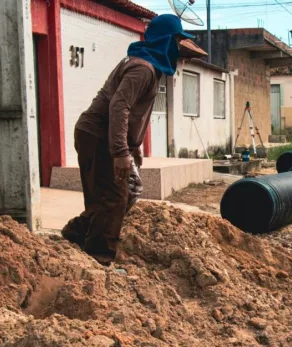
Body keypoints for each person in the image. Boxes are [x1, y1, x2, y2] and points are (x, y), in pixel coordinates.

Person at [61, 15, 193, 266]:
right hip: (98, 136)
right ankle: (99, 258)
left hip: (97, 135)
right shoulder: (142, 69)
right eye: (177, 40)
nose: (179, 46)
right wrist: (120, 151)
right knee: (114, 197)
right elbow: (119, 107)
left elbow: (133, 113)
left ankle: (76, 235)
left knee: (116, 195)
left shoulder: (147, 66)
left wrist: (134, 147)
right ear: (166, 41)